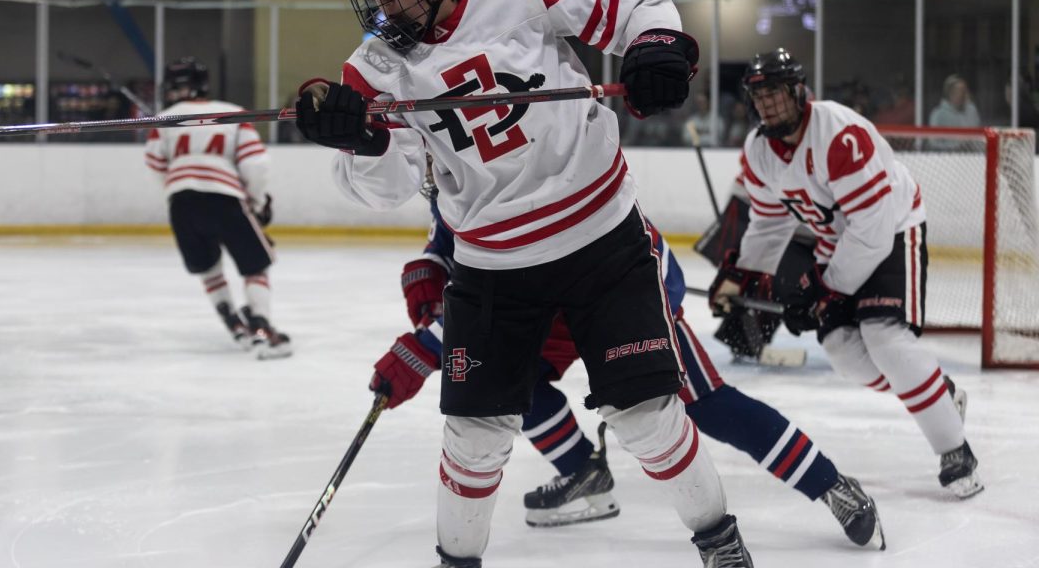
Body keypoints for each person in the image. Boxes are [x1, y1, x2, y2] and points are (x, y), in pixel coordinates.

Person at [295, 0, 753, 567]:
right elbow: (388, 187)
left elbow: (635, 3)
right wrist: (360, 141)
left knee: (647, 416)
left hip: (601, 240)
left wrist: (656, 47)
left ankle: (719, 540)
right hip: (490, 266)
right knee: (472, 437)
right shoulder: (374, 69)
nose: (382, 1)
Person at [375, 183, 886, 548]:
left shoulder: (537, 157)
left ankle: (830, 484)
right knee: (504, 388)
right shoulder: (461, 168)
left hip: (619, 283)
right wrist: (430, 269)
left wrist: (425, 347)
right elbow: (462, 241)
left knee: (706, 405)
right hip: (547, 300)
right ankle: (584, 473)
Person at [709, 48, 982, 500]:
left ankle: (955, 450)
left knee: (884, 337)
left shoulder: (839, 134)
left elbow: (873, 233)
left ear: (798, 91)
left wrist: (828, 288)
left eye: (774, 92)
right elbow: (771, 222)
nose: (766, 104)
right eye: (758, 96)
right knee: (842, 351)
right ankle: (938, 393)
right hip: (841, 241)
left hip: (893, 229)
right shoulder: (759, 151)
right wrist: (741, 274)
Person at [144, 58, 290, 359]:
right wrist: (257, 201)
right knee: (255, 266)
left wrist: (178, 188)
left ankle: (234, 324)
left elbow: (156, 164)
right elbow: (256, 164)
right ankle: (261, 329)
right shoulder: (233, 113)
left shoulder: (165, 118)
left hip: (180, 202)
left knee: (208, 267)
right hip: (225, 198)